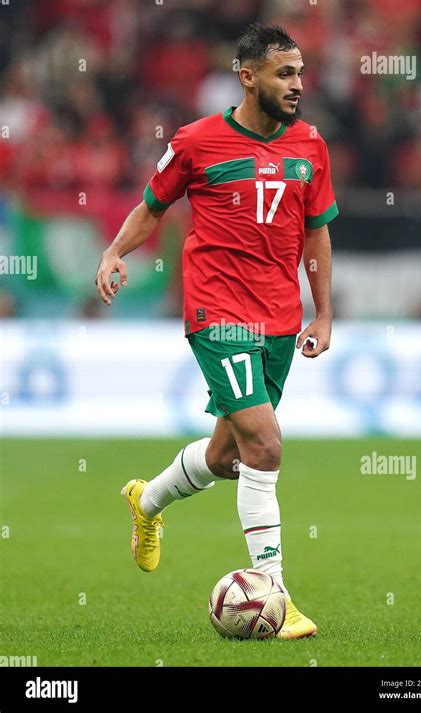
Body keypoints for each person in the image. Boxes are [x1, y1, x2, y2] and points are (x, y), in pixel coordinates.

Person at [95, 23, 338, 639]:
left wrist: (324, 310)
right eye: (285, 73)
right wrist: (114, 253)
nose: (297, 84)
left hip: (281, 315)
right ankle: (276, 594)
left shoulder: (311, 145)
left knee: (229, 456)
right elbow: (152, 205)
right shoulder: (198, 140)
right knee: (266, 445)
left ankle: (146, 501)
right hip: (218, 313)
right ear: (248, 75)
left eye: (301, 73)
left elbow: (316, 232)